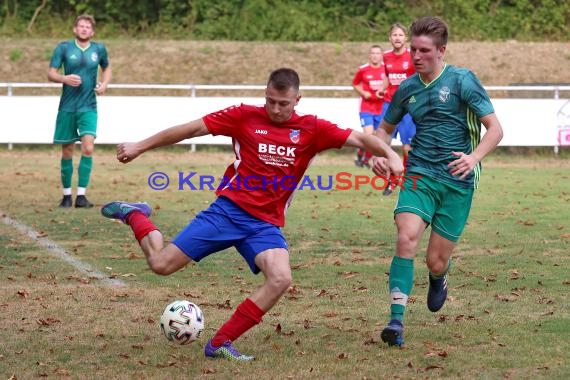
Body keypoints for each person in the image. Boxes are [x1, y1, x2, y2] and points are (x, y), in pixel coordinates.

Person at [101, 68, 404, 361]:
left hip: (264, 225)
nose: (275, 108)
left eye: (283, 103)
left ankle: (220, 343)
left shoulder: (313, 129)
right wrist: (140, 146)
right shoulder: (244, 115)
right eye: (270, 100)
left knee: (281, 278)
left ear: (297, 100)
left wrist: (391, 154)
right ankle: (136, 214)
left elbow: (362, 139)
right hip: (227, 212)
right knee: (160, 264)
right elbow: (192, 128)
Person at [371, 17, 503, 347]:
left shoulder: (463, 81)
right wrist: (380, 152)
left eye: (423, 50)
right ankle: (396, 321)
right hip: (419, 175)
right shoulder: (407, 88)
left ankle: (438, 276)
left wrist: (473, 159)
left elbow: (496, 130)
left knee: (435, 260)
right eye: (413, 49)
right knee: (406, 236)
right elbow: (383, 130)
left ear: (441, 51)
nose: (415, 56)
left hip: (458, 181)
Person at [48, 14, 112, 208]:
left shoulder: (98, 49)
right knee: (67, 151)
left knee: (88, 147)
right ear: (75, 29)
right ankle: (67, 195)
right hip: (67, 106)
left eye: (87, 27)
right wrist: (64, 78)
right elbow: (51, 73)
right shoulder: (64, 48)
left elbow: (107, 68)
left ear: (92, 31)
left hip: (89, 106)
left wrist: (104, 84)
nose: (84, 29)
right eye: (81, 26)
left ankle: (82, 196)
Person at [380, 23, 417, 196]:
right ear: (390, 38)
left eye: (401, 35)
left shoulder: (412, 55)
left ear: (406, 38)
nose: (397, 38)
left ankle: (407, 180)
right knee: (383, 145)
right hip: (389, 103)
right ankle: (390, 181)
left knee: (406, 148)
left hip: (407, 105)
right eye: (394, 35)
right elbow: (387, 77)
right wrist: (382, 88)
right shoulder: (386, 56)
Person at [352, 45, 386, 168]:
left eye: (377, 53)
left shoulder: (386, 69)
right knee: (369, 134)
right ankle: (363, 158)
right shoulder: (363, 69)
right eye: (373, 53)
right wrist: (363, 93)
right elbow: (355, 83)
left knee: (376, 137)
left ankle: (363, 157)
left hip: (381, 107)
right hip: (366, 108)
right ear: (369, 55)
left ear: (381, 55)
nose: (375, 55)